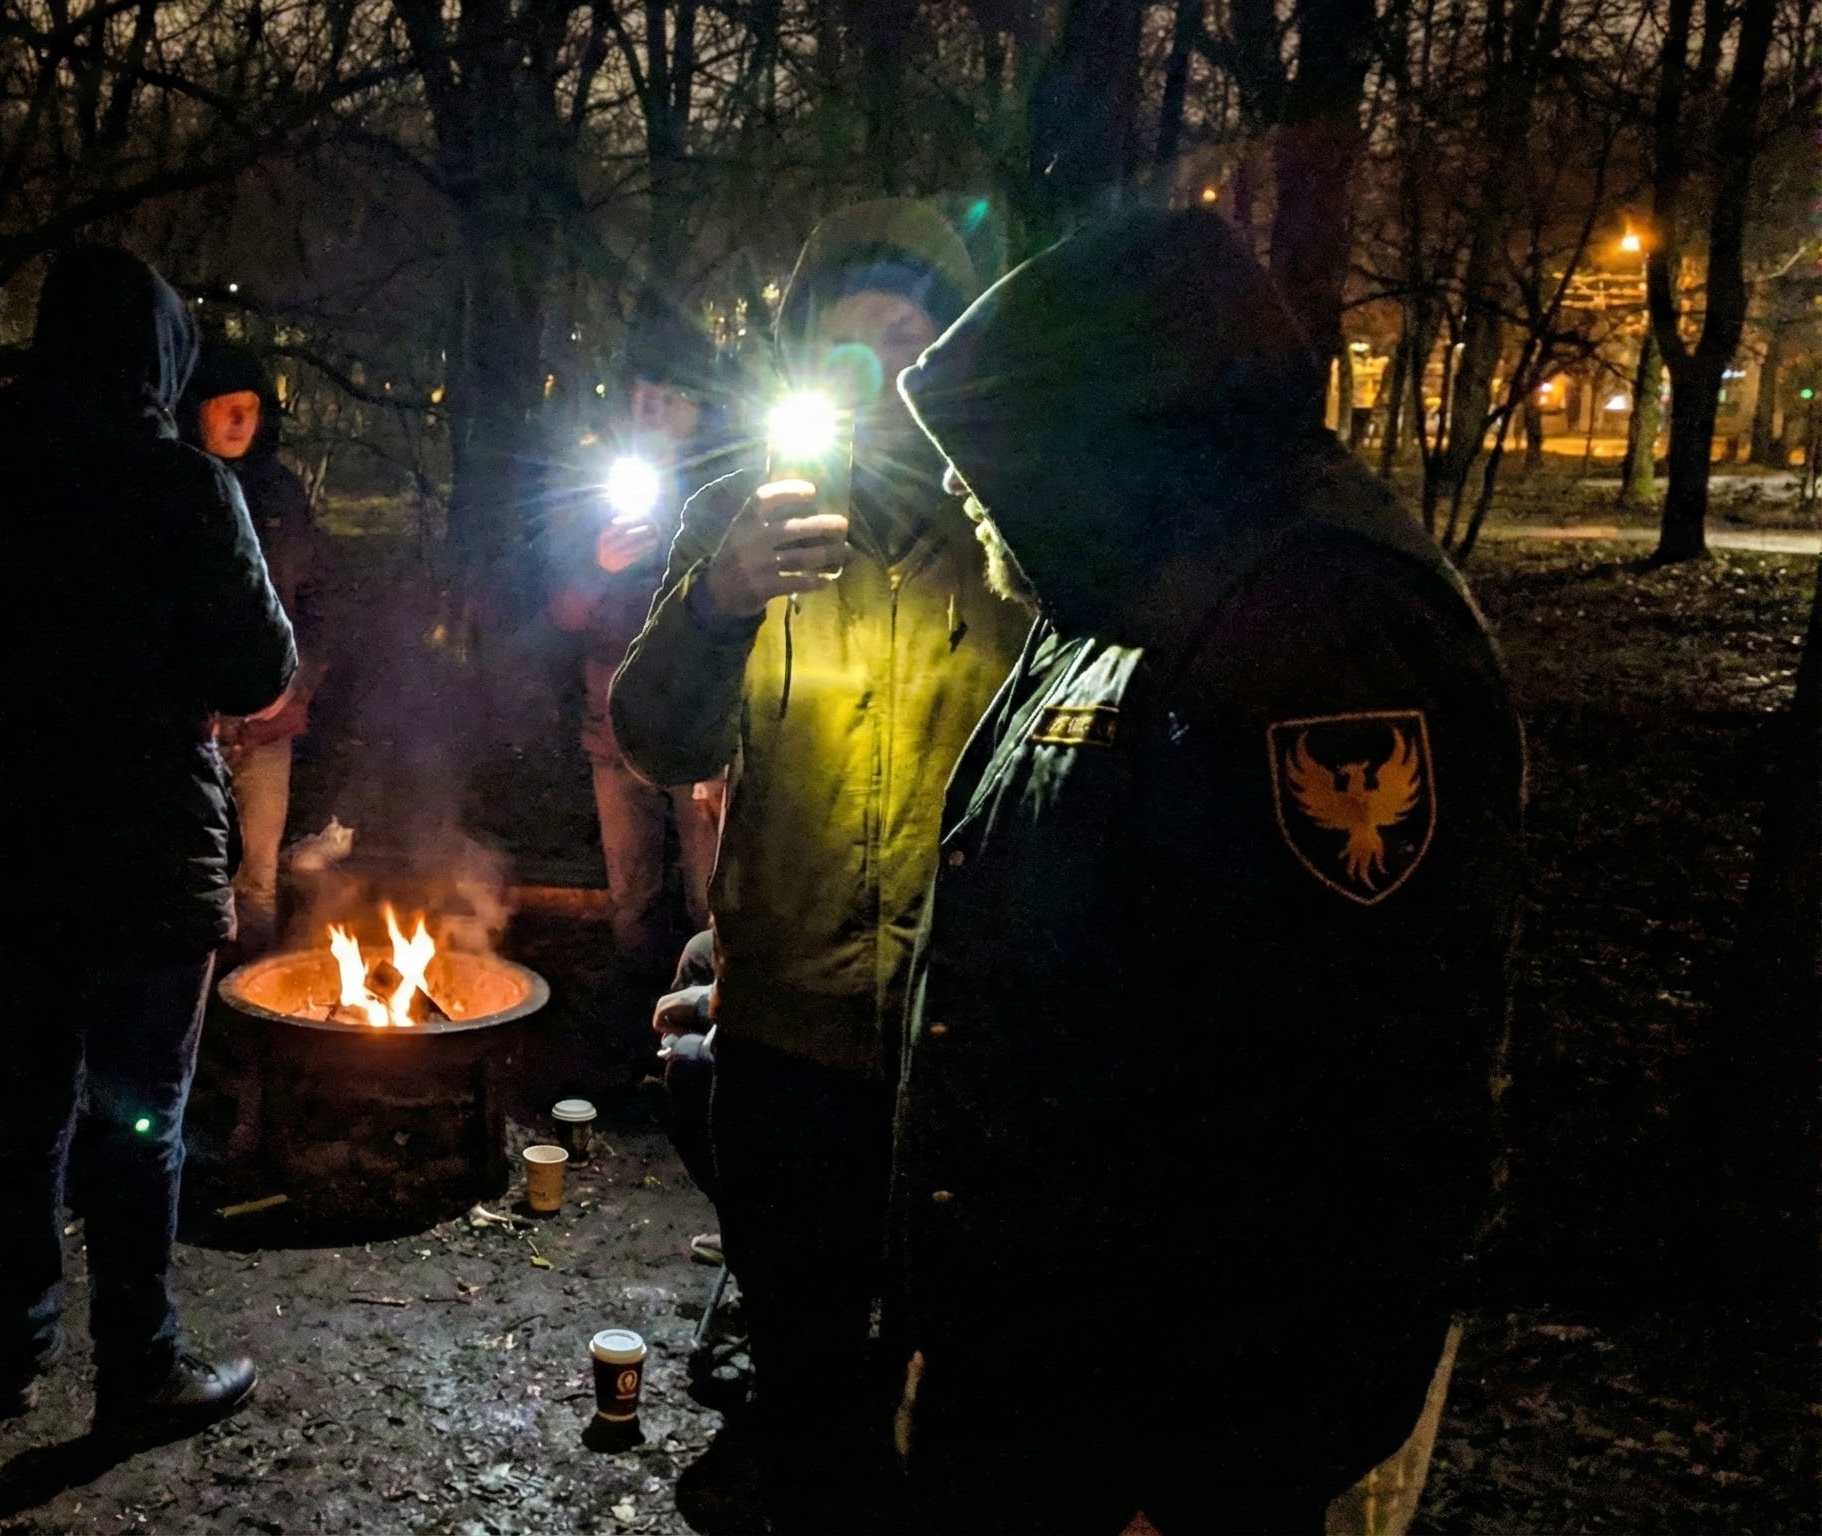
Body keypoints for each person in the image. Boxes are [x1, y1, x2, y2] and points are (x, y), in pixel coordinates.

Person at [891, 207, 1522, 1531]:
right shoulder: (1133, 588)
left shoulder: (1316, 626)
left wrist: (1197, 1473)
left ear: (1096, 448)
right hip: (1043, 1357)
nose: (969, 501)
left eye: (989, 469)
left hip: (1157, 1424)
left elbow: (1339, 1096)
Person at [609, 201, 1029, 1521]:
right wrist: (717, 599)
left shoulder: (1022, 536)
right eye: (851, 360)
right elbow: (655, 740)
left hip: (959, 1036)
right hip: (786, 1021)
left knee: (941, 1356)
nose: (886, 391)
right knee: (796, 1332)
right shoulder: (755, 525)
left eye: (911, 353)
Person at [0, 244, 295, 1431]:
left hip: (14, 838)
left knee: (25, 1103)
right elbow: (257, 665)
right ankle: (137, 1366)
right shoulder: (177, 481)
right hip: (145, 846)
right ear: (158, 352)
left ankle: (8, 1351)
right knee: (141, 1113)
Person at [551, 310, 727, 1064]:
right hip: (613, 728)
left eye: (669, 397)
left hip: (700, 732)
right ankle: (633, 1044)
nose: (651, 410)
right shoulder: (602, 491)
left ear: (698, 405)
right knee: (633, 899)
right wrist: (601, 567)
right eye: (641, 396)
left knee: (709, 898)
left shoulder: (726, 490)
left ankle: (711, 1043)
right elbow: (560, 613)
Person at [182, 342, 332, 955]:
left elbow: (317, 602)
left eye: (249, 408)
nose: (239, 422)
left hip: (270, 719)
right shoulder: (177, 485)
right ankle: (206, 1011)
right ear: (198, 410)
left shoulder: (280, 493)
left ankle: (256, 1002)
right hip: (194, 723)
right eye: (226, 408)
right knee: (195, 875)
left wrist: (304, 689)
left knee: (260, 877)